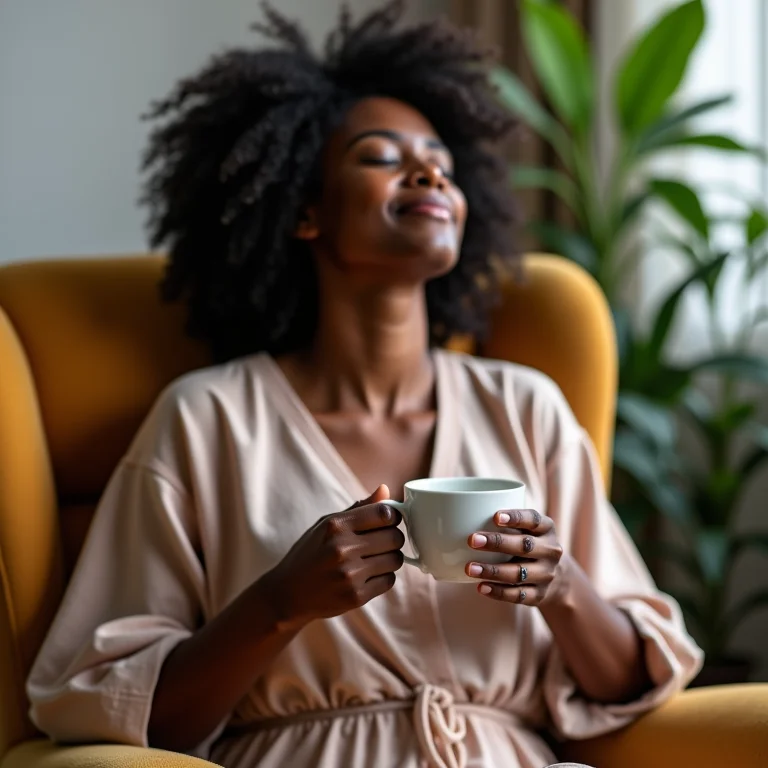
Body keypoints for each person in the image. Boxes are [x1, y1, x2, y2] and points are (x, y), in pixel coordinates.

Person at [26, 3, 703, 767]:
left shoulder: (526, 407)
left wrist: (563, 586)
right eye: (382, 156)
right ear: (304, 210)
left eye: (442, 161)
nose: (428, 172)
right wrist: (280, 605)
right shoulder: (207, 420)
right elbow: (137, 723)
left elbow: (625, 690)